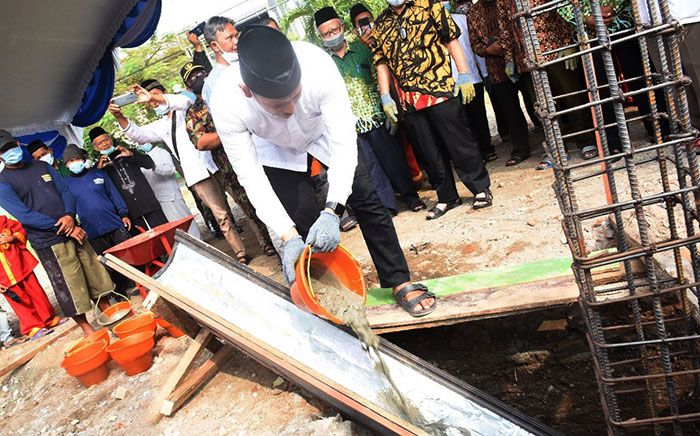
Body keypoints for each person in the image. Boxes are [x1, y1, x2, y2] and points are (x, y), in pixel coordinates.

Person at [209, 26, 437, 316]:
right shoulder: (226, 101)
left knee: (368, 203)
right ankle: (329, 298)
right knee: (301, 224)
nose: (290, 108)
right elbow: (250, 176)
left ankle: (398, 280)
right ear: (247, 91)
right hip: (275, 151)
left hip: (324, 137)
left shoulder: (317, 66)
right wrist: (286, 235)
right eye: (279, 105)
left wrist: (332, 211)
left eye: (295, 96)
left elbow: (344, 144)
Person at [370, 0, 493, 219]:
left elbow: (451, 40)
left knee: (459, 143)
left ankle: (480, 188)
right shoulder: (381, 25)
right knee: (429, 152)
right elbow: (381, 63)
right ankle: (447, 196)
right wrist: (385, 96)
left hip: (439, 89)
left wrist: (463, 73)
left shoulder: (430, 7)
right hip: (409, 101)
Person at [110, 80, 250, 264]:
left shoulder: (185, 108)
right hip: (198, 174)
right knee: (221, 216)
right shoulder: (160, 126)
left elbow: (185, 101)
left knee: (246, 203)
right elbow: (139, 135)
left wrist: (154, 97)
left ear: (165, 94)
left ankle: (266, 242)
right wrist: (120, 116)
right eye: (151, 102)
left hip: (218, 163)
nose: (154, 102)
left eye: (156, 96)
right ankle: (240, 253)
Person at [0, 130, 114, 337]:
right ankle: (87, 330)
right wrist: (66, 227)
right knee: (69, 284)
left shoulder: (42, 166)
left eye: (10, 146)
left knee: (94, 272)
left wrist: (70, 216)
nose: (9, 152)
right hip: (49, 241)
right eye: (3, 150)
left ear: (18, 143)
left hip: (74, 229)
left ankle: (108, 312)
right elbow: (25, 215)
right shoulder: (3, 183)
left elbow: (65, 192)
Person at [315, 6, 425, 215]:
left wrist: (387, 107)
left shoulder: (363, 50)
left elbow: (379, 77)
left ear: (342, 27)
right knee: (371, 169)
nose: (332, 36)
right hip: (350, 127)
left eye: (334, 30)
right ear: (320, 37)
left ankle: (411, 197)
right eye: (326, 34)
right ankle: (388, 206)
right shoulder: (324, 64)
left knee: (393, 159)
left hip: (376, 118)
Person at [181, 61, 276, 255]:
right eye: (191, 78)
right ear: (187, 87)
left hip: (262, 154)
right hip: (231, 169)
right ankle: (271, 243)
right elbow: (201, 142)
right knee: (252, 206)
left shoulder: (227, 94)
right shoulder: (193, 112)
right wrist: (232, 130)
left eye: (200, 73)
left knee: (277, 194)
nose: (197, 78)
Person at [61, 144, 134, 292]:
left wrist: (124, 214)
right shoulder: (65, 184)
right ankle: (119, 290)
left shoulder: (98, 174)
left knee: (127, 255)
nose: (74, 162)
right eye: (70, 161)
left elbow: (114, 194)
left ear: (83, 159)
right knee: (106, 262)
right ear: (67, 164)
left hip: (114, 222)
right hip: (91, 230)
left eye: (77, 159)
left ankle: (137, 282)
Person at [468, 0, 532, 166]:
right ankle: (520, 150)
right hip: (496, 69)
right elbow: (474, 43)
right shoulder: (473, 12)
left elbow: (517, 30)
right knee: (510, 111)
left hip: (520, 61)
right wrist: (487, 50)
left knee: (534, 102)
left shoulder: (507, 3)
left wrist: (507, 51)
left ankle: (552, 141)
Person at [88, 127, 167, 231]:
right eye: (100, 143)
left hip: (148, 203)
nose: (105, 144)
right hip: (129, 213)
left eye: (106, 140)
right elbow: (99, 191)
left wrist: (131, 155)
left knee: (166, 233)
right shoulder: (99, 168)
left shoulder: (128, 152)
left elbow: (149, 164)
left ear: (110, 139)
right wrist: (99, 170)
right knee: (146, 244)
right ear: (96, 148)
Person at [448, 3, 497, 162]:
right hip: (451, 84)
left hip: (471, 77)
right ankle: (475, 154)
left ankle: (486, 149)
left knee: (478, 116)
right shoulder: (430, 26)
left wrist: (484, 74)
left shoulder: (463, 20)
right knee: (462, 121)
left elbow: (475, 49)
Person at [0, 215, 58, 339]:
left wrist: (12, 238)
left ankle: (48, 319)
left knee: (37, 293)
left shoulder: (3, 221)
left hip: (20, 265)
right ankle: (33, 328)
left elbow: (20, 229)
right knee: (19, 303)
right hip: (3, 278)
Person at [136, 142, 202, 238]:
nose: (141, 144)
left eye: (142, 141)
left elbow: (170, 170)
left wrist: (154, 166)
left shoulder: (162, 153)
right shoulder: (143, 158)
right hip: (158, 200)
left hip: (171, 196)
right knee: (175, 230)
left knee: (186, 224)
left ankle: (199, 243)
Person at [202, 16, 240, 104]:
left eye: (236, 35)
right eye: (229, 38)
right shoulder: (213, 84)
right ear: (215, 46)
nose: (236, 41)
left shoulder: (250, 64)